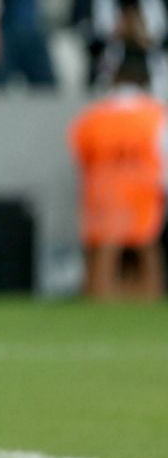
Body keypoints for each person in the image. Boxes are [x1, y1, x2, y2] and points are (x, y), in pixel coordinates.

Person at [71, 51, 167, 300]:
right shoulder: (157, 114)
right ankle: (150, 298)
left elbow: (81, 154)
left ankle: (99, 301)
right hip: (143, 189)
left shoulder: (94, 116)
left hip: (103, 188)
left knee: (105, 247)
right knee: (147, 247)